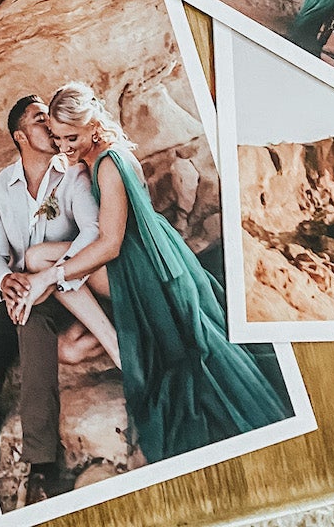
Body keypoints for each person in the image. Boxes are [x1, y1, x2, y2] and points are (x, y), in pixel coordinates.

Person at [15, 83, 293, 465]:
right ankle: (115, 343)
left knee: (41, 264)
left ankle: (117, 347)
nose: (64, 146)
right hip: (151, 257)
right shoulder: (99, 154)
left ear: (93, 124)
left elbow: (110, 244)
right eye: (59, 138)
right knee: (37, 259)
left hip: (142, 269)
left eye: (71, 137)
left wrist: (49, 279)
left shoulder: (109, 164)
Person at [0, 94, 106, 504]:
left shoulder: (74, 177)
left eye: (50, 117)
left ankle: (44, 465)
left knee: (33, 327)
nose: (50, 124)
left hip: (62, 292)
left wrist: (46, 275)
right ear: (20, 136)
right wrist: (5, 278)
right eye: (39, 119)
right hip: (11, 295)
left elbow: (92, 234)